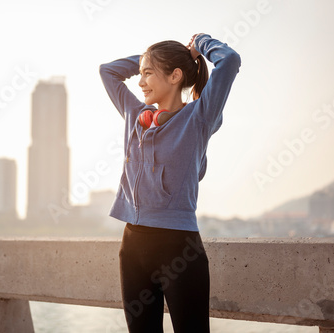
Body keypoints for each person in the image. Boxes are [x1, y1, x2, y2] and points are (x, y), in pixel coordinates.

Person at [99, 33, 241, 332]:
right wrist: (148, 58)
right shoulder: (134, 114)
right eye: (141, 73)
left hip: (179, 248)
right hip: (132, 246)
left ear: (175, 76)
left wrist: (198, 45)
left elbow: (229, 61)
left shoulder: (198, 118)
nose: (140, 81)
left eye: (148, 74)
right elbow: (108, 70)